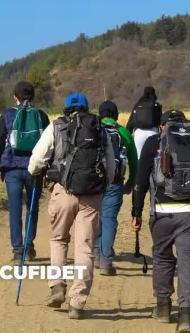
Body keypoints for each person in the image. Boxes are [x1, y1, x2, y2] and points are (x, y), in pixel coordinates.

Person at [132, 110, 190, 333]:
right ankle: (185, 315)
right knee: (188, 261)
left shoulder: (154, 142)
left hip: (162, 213)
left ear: (163, 126)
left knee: (162, 258)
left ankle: (163, 308)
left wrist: (136, 212)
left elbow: (140, 181)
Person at [28, 93, 116, 320]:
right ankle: (77, 303)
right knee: (85, 247)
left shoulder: (56, 127)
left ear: (66, 109)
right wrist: (104, 185)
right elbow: (110, 163)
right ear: (87, 108)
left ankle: (57, 286)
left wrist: (34, 171)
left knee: (59, 239)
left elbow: (37, 159)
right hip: (92, 195)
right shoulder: (99, 127)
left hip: (63, 191)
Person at [0, 81, 50, 262]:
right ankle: (29, 246)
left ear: (15, 97)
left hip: (12, 168)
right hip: (35, 169)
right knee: (32, 207)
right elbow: (48, 145)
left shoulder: (7, 115)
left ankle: (17, 250)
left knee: (14, 208)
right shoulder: (41, 115)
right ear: (33, 97)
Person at [94, 100, 138, 276]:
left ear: (100, 115)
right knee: (109, 219)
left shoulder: (93, 129)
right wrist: (131, 182)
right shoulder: (123, 132)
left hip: (93, 183)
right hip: (115, 182)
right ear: (116, 115)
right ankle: (105, 261)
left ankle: (96, 254)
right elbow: (134, 161)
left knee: (95, 217)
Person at [126, 86, 162, 157]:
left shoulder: (138, 105)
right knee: (154, 158)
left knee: (139, 158)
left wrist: (128, 133)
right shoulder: (156, 106)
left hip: (139, 133)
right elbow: (160, 121)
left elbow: (132, 120)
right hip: (153, 132)